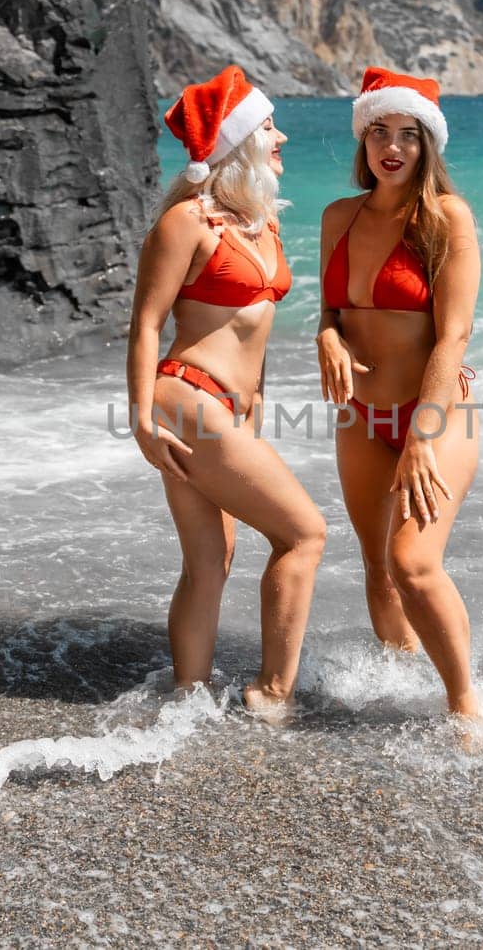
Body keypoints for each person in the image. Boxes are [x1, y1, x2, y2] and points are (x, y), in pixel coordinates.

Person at [127, 65, 325, 720]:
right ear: (239, 141)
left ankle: (188, 698)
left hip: (229, 409)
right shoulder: (189, 222)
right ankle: (271, 695)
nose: (283, 137)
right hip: (187, 396)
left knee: (212, 557)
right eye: (269, 127)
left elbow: (254, 332)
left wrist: (258, 406)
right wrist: (139, 421)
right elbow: (147, 323)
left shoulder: (261, 223)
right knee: (304, 533)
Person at [316, 67, 483, 722]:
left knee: (413, 563)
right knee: (378, 569)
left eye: (408, 135)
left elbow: (455, 336)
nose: (392, 147)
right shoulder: (338, 216)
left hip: (435, 417)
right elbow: (331, 312)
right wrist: (328, 340)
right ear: (363, 140)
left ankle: (466, 703)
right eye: (379, 132)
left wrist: (422, 437)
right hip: (361, 416)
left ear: (427, 145)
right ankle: (404, 684)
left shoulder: (446, 217)